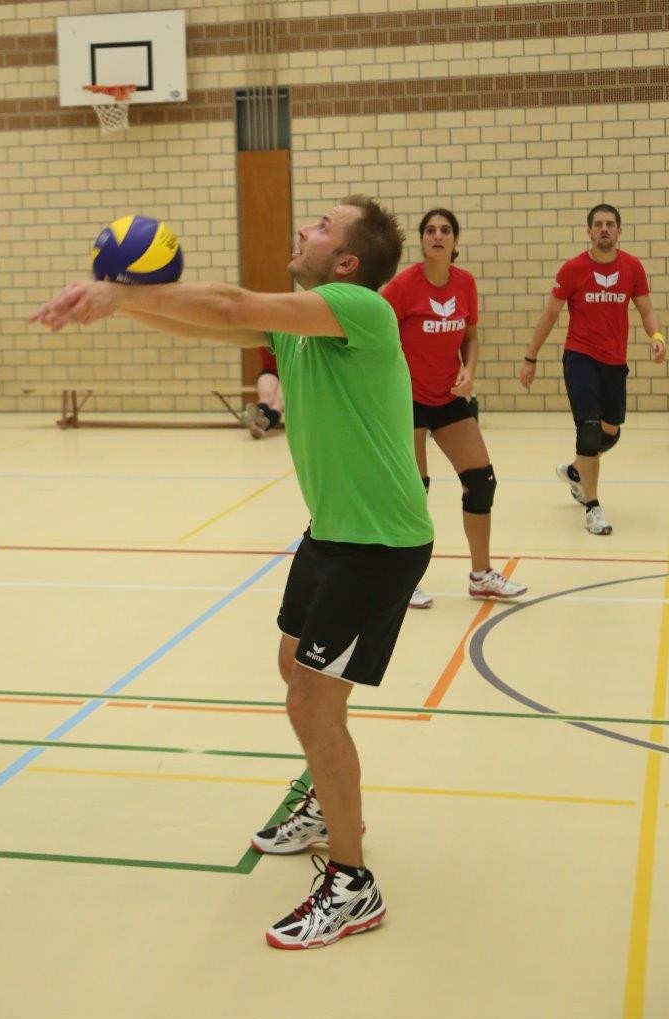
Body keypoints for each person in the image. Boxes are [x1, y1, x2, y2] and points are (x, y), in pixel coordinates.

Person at [30, 195, 434, 950]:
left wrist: (117, 290)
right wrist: (118, 306)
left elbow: (229, 303)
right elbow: (213, 323)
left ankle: (353, 885)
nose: (305, 227)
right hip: (333, 534)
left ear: (347, 261)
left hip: (379, 546)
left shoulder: (359, 308)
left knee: (313, 703)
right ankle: (325, 800)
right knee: (292, 664)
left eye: (322, 226)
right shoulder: (304, 324)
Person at [381, 207, 527, 608]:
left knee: (481, 481)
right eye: (430, 230)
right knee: (414, 490)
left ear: (455, 241)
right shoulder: (403, 286)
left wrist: (469, 370)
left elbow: (471, 336)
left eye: (445, 230)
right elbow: (378, 333)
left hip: (447, 396)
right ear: (421, 240)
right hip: (406, 399)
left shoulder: (465, 283)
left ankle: (481, 576)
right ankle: (402, 579)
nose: (437, 236)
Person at [519, 203, 667, 535]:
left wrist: (656, 337)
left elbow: (646, 310)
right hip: (580, 358)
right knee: (587, 428)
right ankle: (593, 506)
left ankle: (575, 471)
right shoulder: (573, 269)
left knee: (609, 432)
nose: (604, 229)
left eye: (610, 224)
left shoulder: (632, 267)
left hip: (614, 362)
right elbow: (550, 314)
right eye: (598, 224)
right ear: (589, 231)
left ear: (619, 231)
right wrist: (531, 357)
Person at [240, 347, 284, 438]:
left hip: (290, 373)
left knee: (277, 403)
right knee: (266, 398)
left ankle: (259, 423)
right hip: (271, 371)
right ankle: (259, 416)